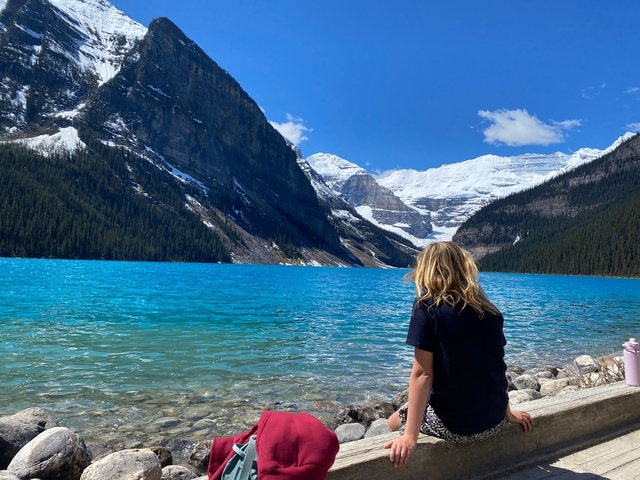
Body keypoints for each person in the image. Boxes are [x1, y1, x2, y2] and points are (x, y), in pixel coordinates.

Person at [384, 242, 533, 469]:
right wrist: (508, 413)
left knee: (392, 422)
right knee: (402, 414)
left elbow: (423, 374)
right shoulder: (491, 312)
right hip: (494, 421)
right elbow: (495, 367)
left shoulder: (426, 308)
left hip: (456, 427)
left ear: (427, 270)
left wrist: (410, 436)